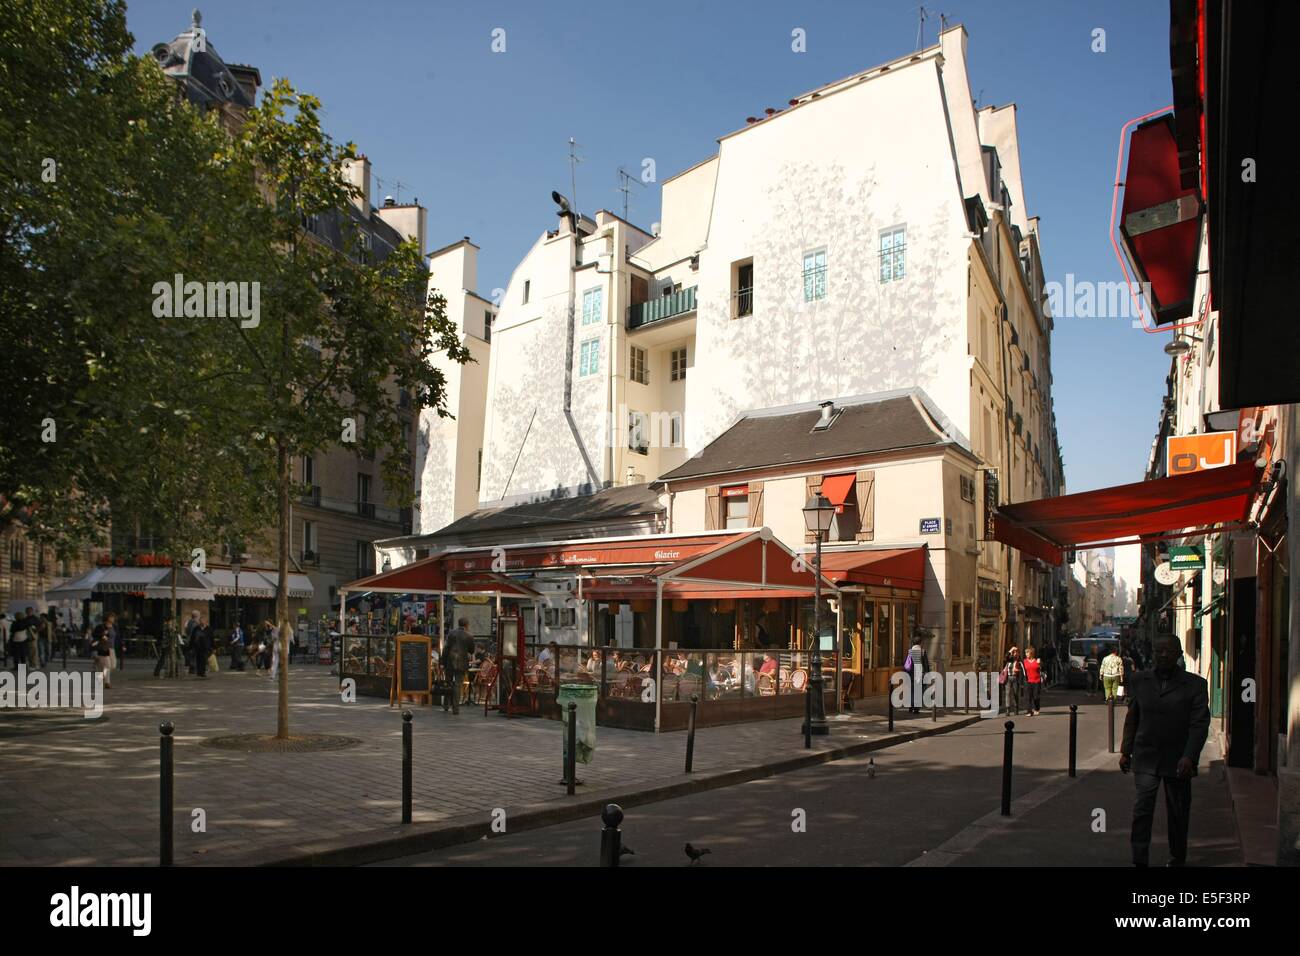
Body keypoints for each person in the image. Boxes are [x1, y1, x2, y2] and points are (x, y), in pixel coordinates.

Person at [1120, 632, 1210, 867]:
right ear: (1152, 654)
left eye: (1168, 651)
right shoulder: (1140, 681)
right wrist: (1125, 751)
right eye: (1159, 650)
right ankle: (1139, 859)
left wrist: (1190, 756)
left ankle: (1177, 857)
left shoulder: (1195, 685)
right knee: (1142, 809)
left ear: (1179, 654)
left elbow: (1199, 724)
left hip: (1178, 759)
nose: (1163, 655)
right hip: (1146, 756)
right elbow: (1133, 717)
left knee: (1178, 812)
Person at [441, 618, 475, 714]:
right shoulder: (469, 635)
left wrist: (442, 662)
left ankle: (446, 705)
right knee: (457, 684)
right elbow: (471, 650)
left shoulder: (451, 633)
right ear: (467, 625)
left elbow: (446, 648)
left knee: (448, 683)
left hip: (450, 662)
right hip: (462, 663)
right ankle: (456, 708)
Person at [906, 633, 929, 713]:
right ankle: (916, 709)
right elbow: (926, 664)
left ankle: (910, 707)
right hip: (920, 674)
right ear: (920, 643)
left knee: (911, 691)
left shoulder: (910, 651)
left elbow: (908, 663)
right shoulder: (922, 652)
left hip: (911, 674)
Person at [1023, 646, 1044, 716]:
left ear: (1031, 653)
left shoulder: (1036, 661)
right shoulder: (1024, 661)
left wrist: (1040, 663)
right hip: (1028, 681)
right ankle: (1029, 711)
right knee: (1028, 697)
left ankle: (1036, 709)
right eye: (1025, 653)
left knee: (1036, 697)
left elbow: (1042, 669)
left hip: (1036, 681)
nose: (1026, 654)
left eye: (1027, 652)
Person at [92, 623, 113, 689]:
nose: (106, 631)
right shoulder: (100, 637)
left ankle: (102, 681)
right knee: (107, 666)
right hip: (102, 652)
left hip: (104, 651)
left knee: (105, 667)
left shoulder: (101, 636)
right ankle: (105, 682)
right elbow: (94, 645)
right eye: (105, 630)